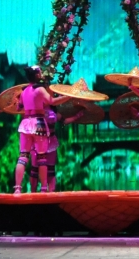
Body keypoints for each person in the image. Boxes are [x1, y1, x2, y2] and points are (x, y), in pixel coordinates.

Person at [14, 66, 71, 194]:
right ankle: (44, 189)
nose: (41, 74)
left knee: (23, 156)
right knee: (42, 157)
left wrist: (16, 100)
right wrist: (68, 96)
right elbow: (52, 101)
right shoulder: (39, 89)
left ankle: (17, 188)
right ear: (36, 75)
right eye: (40, 72)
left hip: (25, 123)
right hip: (38, 123)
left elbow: (18, 108)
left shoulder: (24, 91)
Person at [29, 104, 87, 193]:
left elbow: (64, 121)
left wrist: (76, 117)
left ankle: (50, 191)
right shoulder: (35, 110)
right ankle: (34, 192)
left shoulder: (54, 113)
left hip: (50, 143)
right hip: (38, 142)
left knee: (51, 169)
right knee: (35, 168)